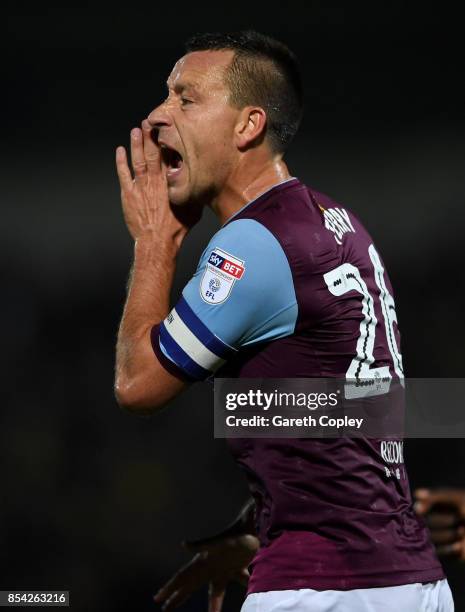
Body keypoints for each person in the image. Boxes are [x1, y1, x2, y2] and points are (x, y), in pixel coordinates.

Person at [114, 31, 454, 611]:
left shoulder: (255, 242)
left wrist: (155, 245)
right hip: (411, 581)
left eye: (185, 99)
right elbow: (362, 405)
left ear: (247, 126)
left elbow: (138, 385)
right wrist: (265, 519)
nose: (156, 116)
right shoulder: (335, 220)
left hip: (323, 588)